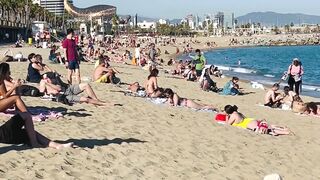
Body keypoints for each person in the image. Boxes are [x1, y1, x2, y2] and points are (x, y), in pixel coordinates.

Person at [0, 113, 74, 149]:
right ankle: (34, 143)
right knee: (25, 115)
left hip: (4, 136)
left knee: (29, 132)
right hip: (3, 134)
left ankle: (56, 145)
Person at [39, 74, 108, 106]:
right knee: (85, 99)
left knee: (86, 85)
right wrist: (46, 84)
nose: (47, 79)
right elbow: (41, 91)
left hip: (69, 88)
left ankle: (96, 100)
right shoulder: (44, 83)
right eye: (45, 78)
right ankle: (102, 103)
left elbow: (59, 87)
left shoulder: (54, 80)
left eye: (47, 78)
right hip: (65, 96)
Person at [224, 105, 291, 135]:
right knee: (268, 126)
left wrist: (227, 117)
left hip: (248, 124)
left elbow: (228, 124)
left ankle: (286, 132)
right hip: (250, 120)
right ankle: (283, 128)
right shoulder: (238, 112)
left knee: (268, 130)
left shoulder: (233, 115)